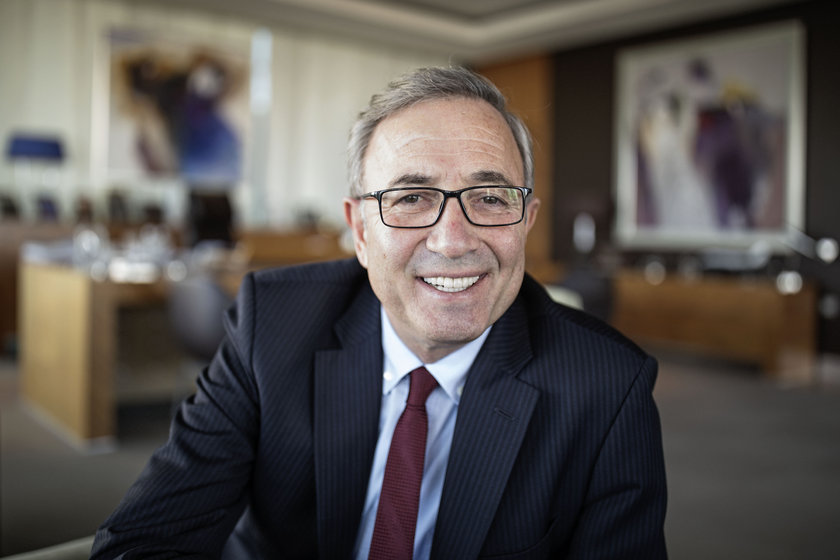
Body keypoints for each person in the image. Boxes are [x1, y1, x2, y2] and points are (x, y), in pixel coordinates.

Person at [91, 66, 667, 559]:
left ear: (527, 223)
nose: (452, 241)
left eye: (490, 198)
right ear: (360, 231)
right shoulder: (273, 325)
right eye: (411, 197)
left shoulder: (608, 387)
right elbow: (140, 542)